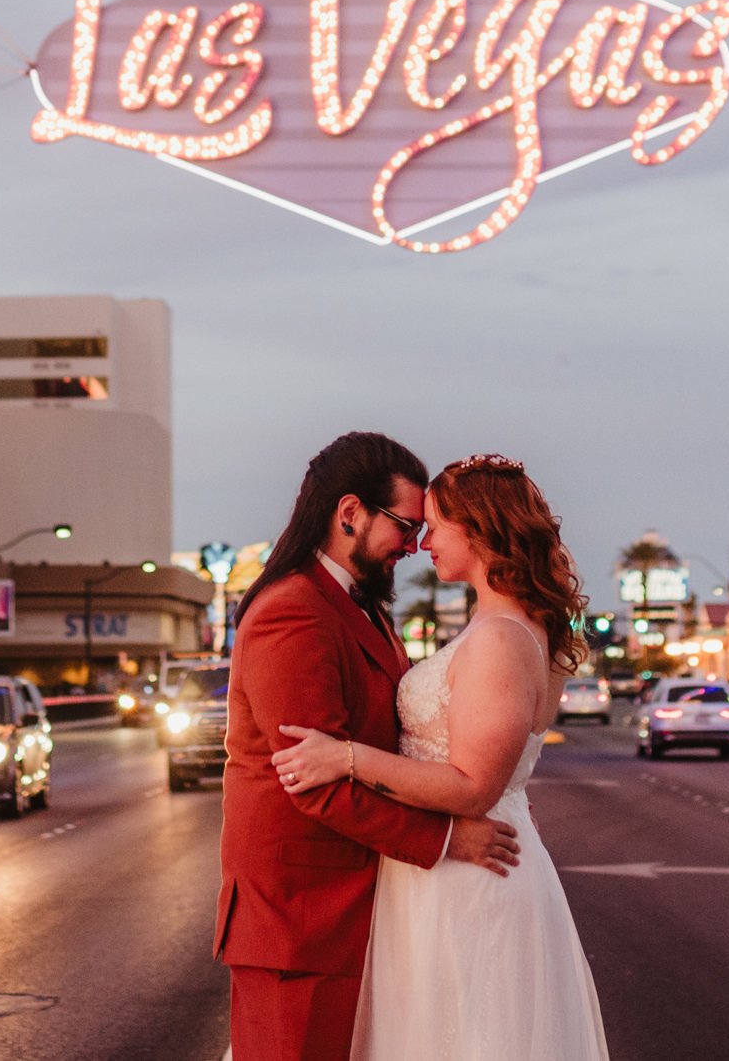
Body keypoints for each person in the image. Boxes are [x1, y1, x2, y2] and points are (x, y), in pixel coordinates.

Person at [273, 453, 610, 1061]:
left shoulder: (502, 639)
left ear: (477, 528)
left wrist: (347, 758)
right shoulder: (509, 627)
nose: (422, 541)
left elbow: (474, 787)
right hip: (449, 870)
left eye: (433, 525)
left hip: (471, 878)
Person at [214, 432, 521, 1061]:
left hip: (363, 910)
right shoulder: (291, 611)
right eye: (406, 526)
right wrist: (446, 840)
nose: (413, 546)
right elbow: (313, 781)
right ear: (349, 513)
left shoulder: (363, 607)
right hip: (301, 922)